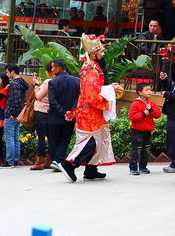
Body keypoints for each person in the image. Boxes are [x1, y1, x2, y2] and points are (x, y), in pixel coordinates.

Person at [59, 34, 120, 182]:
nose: (103, 53)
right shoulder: (91, 69)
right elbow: (92, 94)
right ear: (94, 53)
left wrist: (108, 88)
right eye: (101, 51)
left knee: (98, 138)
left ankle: (91, 170)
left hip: (92, 110)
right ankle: (70, 164)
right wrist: (109, 92)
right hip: (89, 110)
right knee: (91, 141)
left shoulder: (92, 67)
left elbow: (96, 89)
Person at [47, 59, 80, 170]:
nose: (51, 70)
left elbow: (52, 101)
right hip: (70, 117)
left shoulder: (52, 82)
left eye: (52, 67)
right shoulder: (77, 81)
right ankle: (58, 160)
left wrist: (62, 112)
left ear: (59, 68)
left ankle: (56, 160)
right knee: (65, 139)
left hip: (55, 116)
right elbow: (79, 99)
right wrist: (71, 112)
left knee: (53, 139)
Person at [0, 64, 29, 168]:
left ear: (12, 72)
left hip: (12, 115)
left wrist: (13, 114)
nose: (6, 75)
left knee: (10, 138)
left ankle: (10, 161)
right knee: (15, 137)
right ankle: (15, 160)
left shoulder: (15, 84)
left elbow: (16, 101)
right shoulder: (21, 82)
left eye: (7, 72)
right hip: (18, 114)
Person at [128, 83, 161, 175]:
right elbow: (132, 116)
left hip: (147, 130)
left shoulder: (152, 103)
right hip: (137, 131)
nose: (150, 91)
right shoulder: (135, 103)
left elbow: (158, 115)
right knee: (136, 149)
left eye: (150, 89)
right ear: (140, 92)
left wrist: (151, 110)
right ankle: (133, 168)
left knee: (146, 149)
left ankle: (143, 167)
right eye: (147, 90)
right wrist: (143, 114)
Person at [31, 61, 54, 170]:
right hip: (50, 112)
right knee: (50, 137)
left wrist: (36, 85)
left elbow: (39, 96)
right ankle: (49, 160)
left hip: (41, 112)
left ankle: (39, 161)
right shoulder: (55, 81)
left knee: (41, 137)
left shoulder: (48, 81)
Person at [159, 71, 175, 173]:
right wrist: (164, 80)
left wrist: (167, 94)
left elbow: (170, 93)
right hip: (172, 115)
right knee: (171, 140)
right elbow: (170, 89)